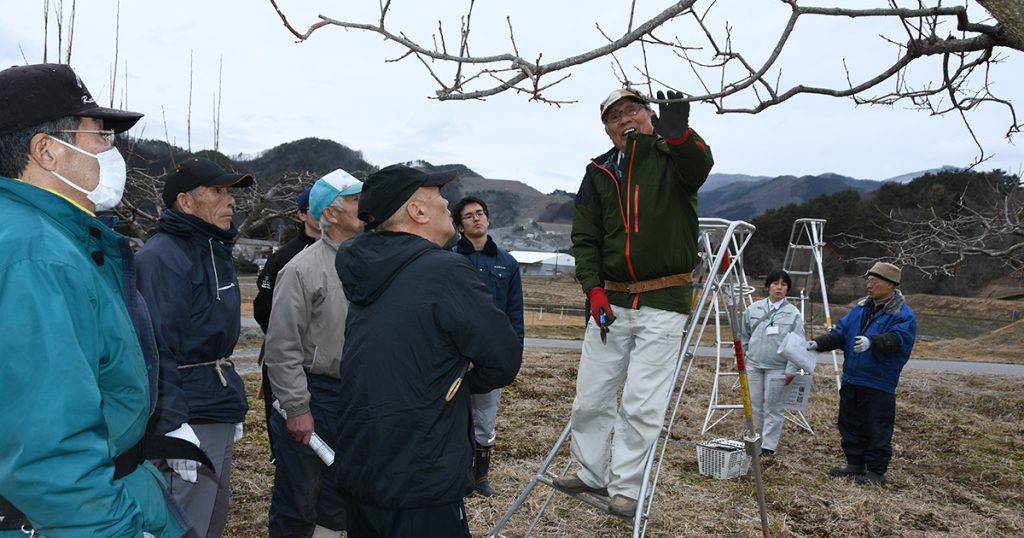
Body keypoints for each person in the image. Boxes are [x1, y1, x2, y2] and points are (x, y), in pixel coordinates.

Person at [0, 63, 189, 537]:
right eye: (99, 136)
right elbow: (49, 446)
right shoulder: (38, 257)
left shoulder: (46, 237)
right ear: (46, 152)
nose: (112, 151)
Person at [334, 164, 523, 537]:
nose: (447, 205)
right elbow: (503, 359)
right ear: (417, 212)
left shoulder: (364, 267)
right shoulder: (445, 271)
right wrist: (459, 375)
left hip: (363, 466)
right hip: (422, 471)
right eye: (439, 196)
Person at [553, 87, 714, 517]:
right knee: (590, 394)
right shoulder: (598, 172)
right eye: (614, 116)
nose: (625, 120)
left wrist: (680, 135)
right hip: (613, 301)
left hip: (664, 298)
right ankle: (590, 470)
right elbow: (584, 239)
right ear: (606, 129)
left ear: (649, 115)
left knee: (641, 402)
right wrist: (594, 289)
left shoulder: (671, 157)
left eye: (633, 111)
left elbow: (700, 167)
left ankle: (624, 486)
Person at [136, 157, 254, 537]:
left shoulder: (212, 249)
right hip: (186, 413)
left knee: (210, 521)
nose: (231, 201)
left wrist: (231, 404)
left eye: (230, 192)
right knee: (184, 522)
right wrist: (170, 424)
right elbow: (153, 346)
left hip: (212, 404)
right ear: (186, 202)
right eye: (218, 192)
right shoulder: (163, 257)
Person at [264, 170, 364, 536]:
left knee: (343, 491)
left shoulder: (372, 264)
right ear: (331, 215)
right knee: (300, 495)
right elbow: (282, 345)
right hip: (316, 393)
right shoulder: (302, 269)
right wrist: (297, 407)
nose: (363, 207)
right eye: (355, 200)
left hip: (357, 395)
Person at [808, 261, 916, 486]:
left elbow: (898, 340)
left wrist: (872, 342)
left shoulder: (902, 314)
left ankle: (876, 471)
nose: (869, 285)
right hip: (852, 377)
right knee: (849, 422)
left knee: (876, 426)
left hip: (879, 381)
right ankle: (855, 463)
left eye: (874, 281)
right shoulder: (860, 309)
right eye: (868, 280)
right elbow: (840, 332)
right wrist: (816, 343)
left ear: (889, 285)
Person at [452, 196, 525, 496]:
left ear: (488, 219)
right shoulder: (451, 258)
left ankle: (480, 477)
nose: (476, 219)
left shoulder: (507, 263)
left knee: (485, 419)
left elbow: (514, 313)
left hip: (490, 358)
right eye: (469, 216)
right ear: (459, 226)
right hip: (455, 356)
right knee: (452, 418)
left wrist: (513, 352)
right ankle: (456, 475)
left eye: (480, 213)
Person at [254, 185, 319, 454]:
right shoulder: (283, 257)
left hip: (327, 369)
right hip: (290, 362)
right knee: (289, 443)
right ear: (302, 215)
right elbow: (264, 309)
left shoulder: (348, 252)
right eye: (317, 209)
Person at [739, 270, 806, 457]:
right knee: (755, 405)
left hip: (778, 368)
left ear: (787, 289)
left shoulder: (793, 314)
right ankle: (755, 440)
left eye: (783, 284)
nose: (779, 287)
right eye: (775, 283)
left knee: (774, 406)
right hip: (753, 365)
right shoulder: (753, 309)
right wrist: (743, 361)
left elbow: (798, 343)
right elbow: (744, 336)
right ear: (767, 286)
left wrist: (792, 369)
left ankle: (768, 446)